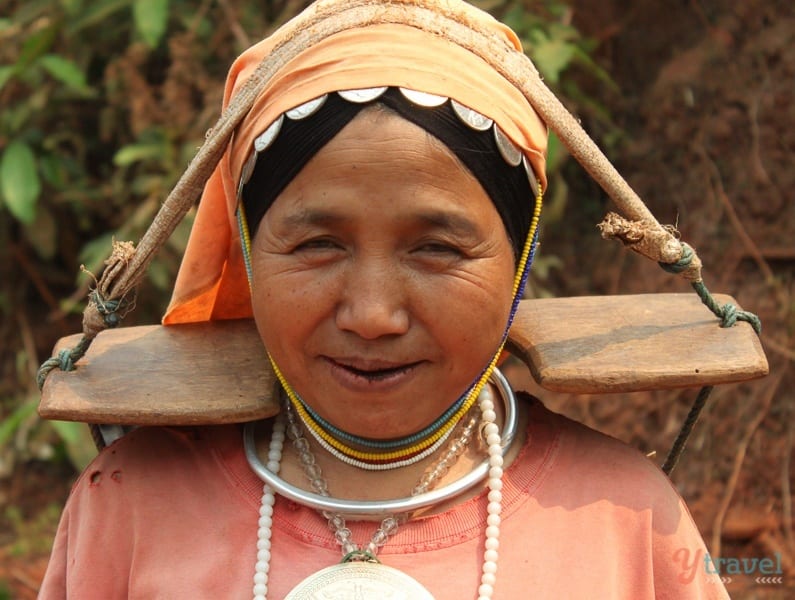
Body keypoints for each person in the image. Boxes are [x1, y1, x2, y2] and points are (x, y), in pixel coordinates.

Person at [39, 1, 727, 598]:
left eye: (437, 249)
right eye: (317, 245)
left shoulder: (624, 521)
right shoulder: (128, 509)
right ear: (247, 251)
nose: (372, 317)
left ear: (521, 261)